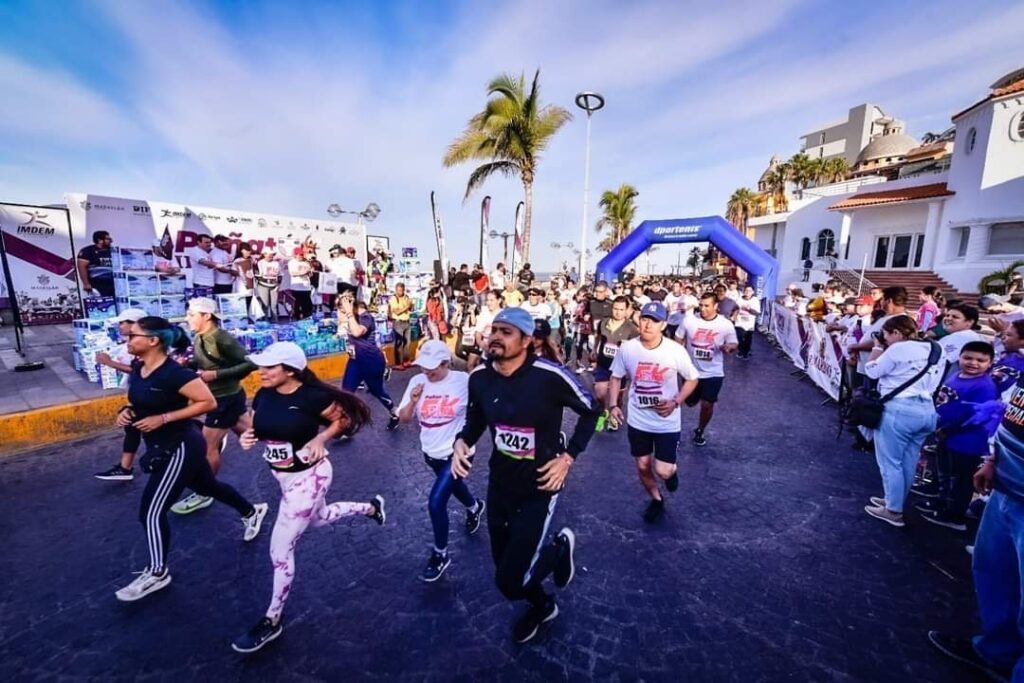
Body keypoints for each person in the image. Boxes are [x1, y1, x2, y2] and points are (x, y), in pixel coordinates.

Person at [451, 307, 601, 643]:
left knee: (509, 582)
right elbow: (475, 420)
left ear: (527, 340)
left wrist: (568, 457)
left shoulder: (550, 376)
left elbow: (593, 410)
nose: (496, 337)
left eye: (506, 332)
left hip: (540, 486)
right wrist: (462, 441)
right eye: (494, 330)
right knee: (504, 564)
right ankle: (544, 605)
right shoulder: (479, 377)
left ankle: (558, 550)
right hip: (500, 485)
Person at [232, 342, 383, 653]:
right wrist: (249, 436)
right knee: (320, 518)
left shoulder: (313, 397)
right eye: (261, 366)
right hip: (283, 478)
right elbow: (261, 426)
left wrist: (321, 437)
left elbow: (344, 420)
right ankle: (371, 508)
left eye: (269, 367)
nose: (261, 372)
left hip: (311, 478)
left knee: (280, 550)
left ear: (290, 370)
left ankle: (272, 619)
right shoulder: (263, 394)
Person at [113, 316, 268, 603]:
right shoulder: (139, 368)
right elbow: (141, 403)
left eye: (133, 335)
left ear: (153, 341)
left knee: (151, 512)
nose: (127, 339)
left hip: (180, 447)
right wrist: (127, 411)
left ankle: (157, 572)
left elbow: (207, 402)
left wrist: (164, 418)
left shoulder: (175, 374)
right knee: (208, 486)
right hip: (160, 445)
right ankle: (251, 511)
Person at [927, 352, 1024, 681]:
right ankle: (997, 651)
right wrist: (994, 460)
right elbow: (1015, 415)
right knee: (997, 576)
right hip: (1006, 487)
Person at [397, 340, 485, 582]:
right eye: (423, 365)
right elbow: (404, 419)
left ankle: (440, 554)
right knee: (454, 487)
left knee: (436, 502)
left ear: (446, 363)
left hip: (459, 452)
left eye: (432, 366)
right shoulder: (417, 381)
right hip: (431, 452)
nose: (426, 371)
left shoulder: (463, 381)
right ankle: (475, 507)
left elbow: (482, 412)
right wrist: (413, 400)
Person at [607, 302, 698, 523]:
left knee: (663, 470)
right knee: (642, 465)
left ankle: (671, 472)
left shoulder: (675, 351)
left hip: (667, 421)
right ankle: (657, 499)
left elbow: (692, 379)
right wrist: (613, 405)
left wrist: (676, 401)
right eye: (645, 319)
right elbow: (616, 377)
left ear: (663, 325)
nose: (648, 325)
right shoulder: (628, 348)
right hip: (638, 419)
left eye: (654, 321)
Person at [171, 297, 257, 515]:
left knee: (208, 446)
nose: (187, 318)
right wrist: (187, 364)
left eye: (192, 314)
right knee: (255, 432)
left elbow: (250, 363)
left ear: (206, 316)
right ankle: (296, 444)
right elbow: (204, 362)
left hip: (224, 399)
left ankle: (205, 492)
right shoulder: (200, 336)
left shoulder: (221, 338)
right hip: (224, 397)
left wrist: (216, 375)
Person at [862, 315, 943, 527]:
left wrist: (877, 348)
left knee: (890, 462)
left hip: (899, 410)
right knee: (909, 460)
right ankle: (894, 501)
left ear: (896, 332)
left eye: (886, 335)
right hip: (927, 410)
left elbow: (872, 371)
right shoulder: (936, 348)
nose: (885, 339)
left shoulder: (898, 348)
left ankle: (893, 510)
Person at [917, 341, 1000, 531]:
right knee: (945, 473)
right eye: (968, 358)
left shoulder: (985, 386)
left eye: (980, 360)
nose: (973, 363)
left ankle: (955, 516)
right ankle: (942, 503)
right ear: (960, 357)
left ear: (990, 363)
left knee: (961, 480)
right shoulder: (957, 375)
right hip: (946, 437)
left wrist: (948, 429)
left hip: (966, 442)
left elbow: (976, 417)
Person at [93, 308, 151, 481]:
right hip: (138, 393)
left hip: (150, 393)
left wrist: (110, 363)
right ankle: (126, 468)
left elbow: (140, 369)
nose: (120, 326)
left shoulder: (144, 343)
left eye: (123, 322)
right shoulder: (128, 343)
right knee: (132, 427)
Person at [675, 292, 738, 446]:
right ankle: (671, 429)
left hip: (713, 372)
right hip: (691, 372)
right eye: (701, 305)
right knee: (686, 402)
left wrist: (728, 347)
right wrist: (679, 355)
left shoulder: (725, 324)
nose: (702, 309)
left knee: (707, 404)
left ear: (716, 306)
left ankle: (700, 430)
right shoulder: (689, 320)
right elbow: (678, 338)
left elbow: (733, 343)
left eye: (707, 306)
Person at [339, 295, 399, 430]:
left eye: (342, 308)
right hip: (355, 361)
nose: (341, 312)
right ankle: (347, 426)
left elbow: (356, 332)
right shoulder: (351, 316)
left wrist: (349, 313)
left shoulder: (366, 317)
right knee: (346, 393)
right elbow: (342, 325)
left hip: (371, 361)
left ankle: (394, 412)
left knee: (377, 391)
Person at [592, 296, 639, 432]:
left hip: (620, 368)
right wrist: (594, 349)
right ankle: (604, 411)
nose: (618, 312)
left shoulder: (631, 328)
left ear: (626, 311)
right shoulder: (603, 322)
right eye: (615, 309)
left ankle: (614, 417)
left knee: (617, 396)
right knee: (600, 392)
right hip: (603, 363)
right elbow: (598, 337)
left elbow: (637, 347)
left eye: (621, 309)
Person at [469, 289, 503, 370]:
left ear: (499, 301)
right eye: (487, 300)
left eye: (491, 300)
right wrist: (481, 343)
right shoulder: (484, 314)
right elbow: (478, 332)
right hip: (486, 351)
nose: (488, 303)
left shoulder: (503, 315)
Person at [77, 230, 115, 298]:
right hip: (98, 284)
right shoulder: (87, 251)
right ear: (100, 240)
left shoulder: (113, 251)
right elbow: (81, 267)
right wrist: (86, 283)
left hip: (114, 283)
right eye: (108, 239)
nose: (111, 241)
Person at [389, 282, 414, 369]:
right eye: (399, 290)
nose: (400, 292)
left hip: (407, 321)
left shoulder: (406, 297)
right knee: (399, 343)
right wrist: (407, 306)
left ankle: (406, 361)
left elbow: (410, 309)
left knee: (407, 343)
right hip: (398, 322)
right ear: (396, 290)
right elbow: (397, 312)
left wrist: (411, 305)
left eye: (402, 290)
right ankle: (398, 363)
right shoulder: (393, 298)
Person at [734, 284, 761, 359]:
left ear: (753, 292)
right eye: (746, 290)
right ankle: (741, 351)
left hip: (749, 323)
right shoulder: (739, 299)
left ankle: (746, 352)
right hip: (739, 322)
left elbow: (757, 313)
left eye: (749, 291)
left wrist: (749, 309)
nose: (747, 292)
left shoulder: (755, 300)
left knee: (748, 338)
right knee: (739, 337)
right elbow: (735, 309)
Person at [287, 249, 314, 320]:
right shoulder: (292, 262)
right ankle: (298, 320)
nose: (301, 256)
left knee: (308, 305)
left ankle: (307, 319)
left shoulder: (306, 262)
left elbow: (310, 274)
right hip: (296, 287)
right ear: (295, 255)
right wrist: (304, 272)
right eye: (299, 254)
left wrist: (310, 273)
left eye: (302, 254)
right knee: (297, 305)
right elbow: (292, 273)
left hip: (306, 287)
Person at [234, 244, 255, 315]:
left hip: (250, 285)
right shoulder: (237, 260)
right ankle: (242, 317)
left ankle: (248, 317)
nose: (249, 252)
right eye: (247, 250)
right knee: (241, 303)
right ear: (242, 251)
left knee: (249, 301)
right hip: (241, 285)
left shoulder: (252, 259)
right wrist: (241, 271)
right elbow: (233, 272)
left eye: (249, 250)